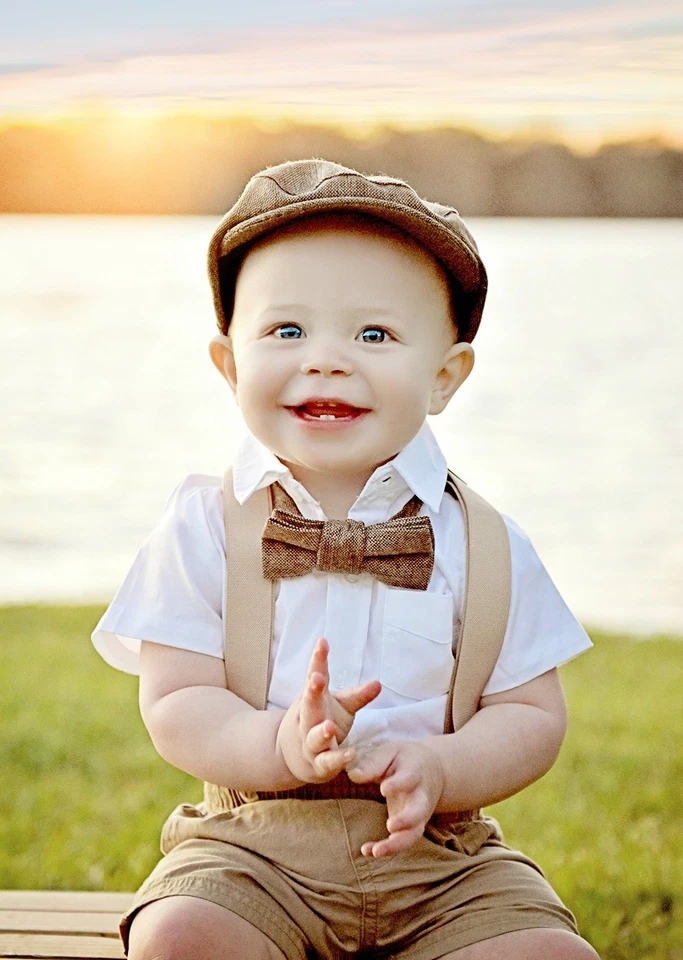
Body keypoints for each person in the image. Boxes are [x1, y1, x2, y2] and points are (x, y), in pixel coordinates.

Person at [92, 159, 599, 960]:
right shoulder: (203, 525)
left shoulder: (488, 543)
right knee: (182, 933)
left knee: (548, 955)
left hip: (443, 860)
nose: (325, 359)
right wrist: (277, 748)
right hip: (250, 851)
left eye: (373, 334)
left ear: (444, 376)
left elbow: (532, 716)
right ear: (229, 365)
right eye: (286, 330)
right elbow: (176, 699)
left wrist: (441, 764)